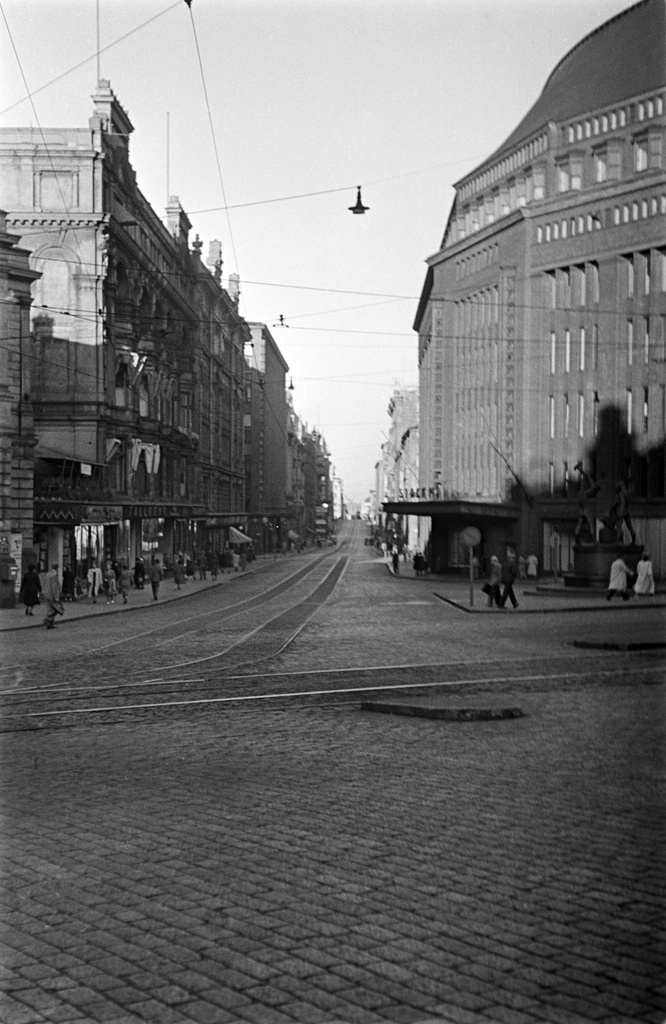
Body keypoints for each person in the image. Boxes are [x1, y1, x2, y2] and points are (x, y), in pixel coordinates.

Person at [42, 562, 62, 630]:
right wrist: (56, 596)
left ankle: (51, 624)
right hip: (51, 594)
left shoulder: (48, 574)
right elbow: (54, 586)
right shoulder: (54, 575)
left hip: (46, 593)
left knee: (50, 608)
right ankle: (47, 619)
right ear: (57, 567)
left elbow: (44, 583)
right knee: (55, 609)